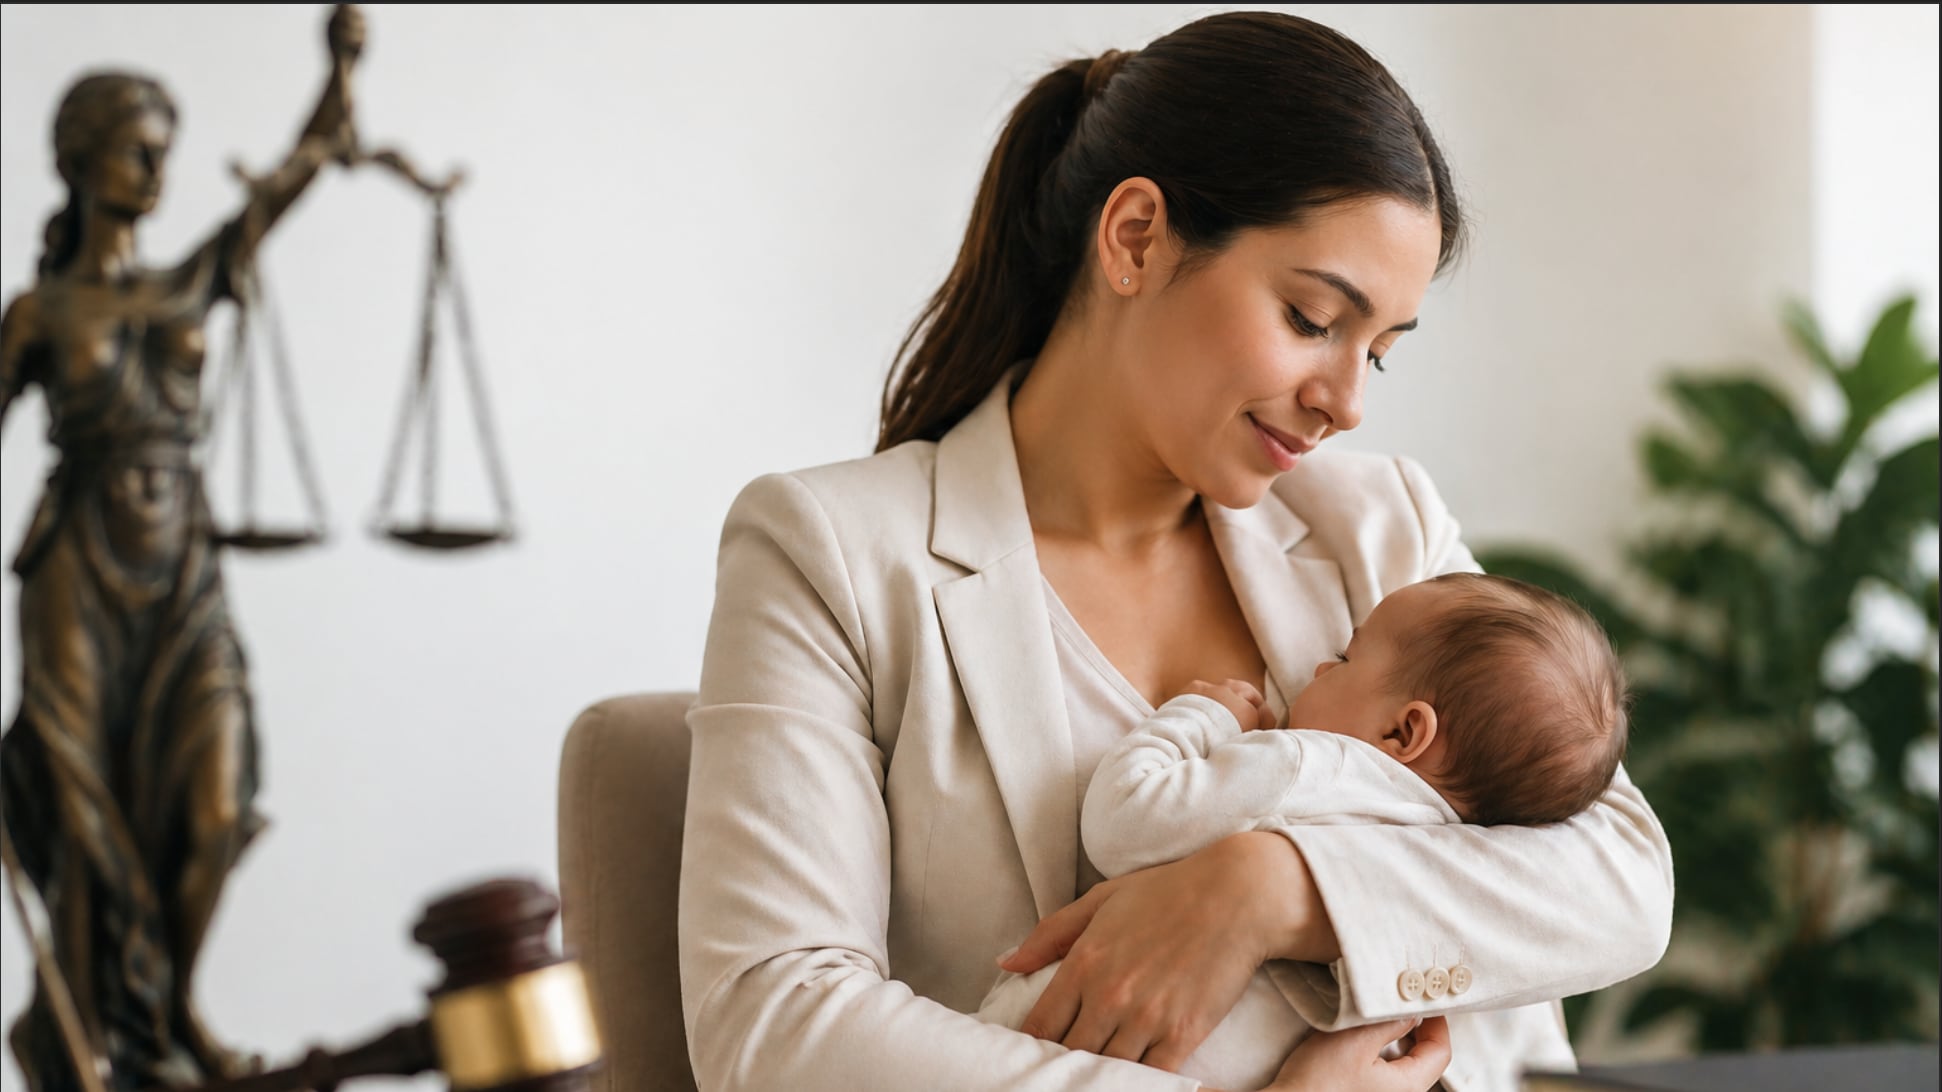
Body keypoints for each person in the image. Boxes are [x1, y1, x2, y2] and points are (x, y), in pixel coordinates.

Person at [678, 11, 1673, 1092]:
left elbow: (1620, 879)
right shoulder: (825, 552)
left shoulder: (1379, 529)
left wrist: (1265, 887)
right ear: (1137, 237)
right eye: (1310, 318)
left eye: (1377, 355)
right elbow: (771, 1023)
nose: (1342, 402)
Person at [0, 8, 362, 1087]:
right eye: (138, 145)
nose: (162, 165)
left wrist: (339, 69)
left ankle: (168, 1015)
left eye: (169, 146)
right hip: (77, 573)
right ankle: (114, 1041)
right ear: (81, 157)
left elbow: (299, 172)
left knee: (214, 805)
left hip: (187, 570)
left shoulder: (197, 272)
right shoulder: (37, 313)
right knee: (88, 823)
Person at [978, 571, 1632, 1092]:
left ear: (1403, 733)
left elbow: (1123, 822)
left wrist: (1204, 716)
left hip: (1073, 1039)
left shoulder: (1307, 764)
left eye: (1345, 658)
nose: (1319, 670)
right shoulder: (1458, 837)